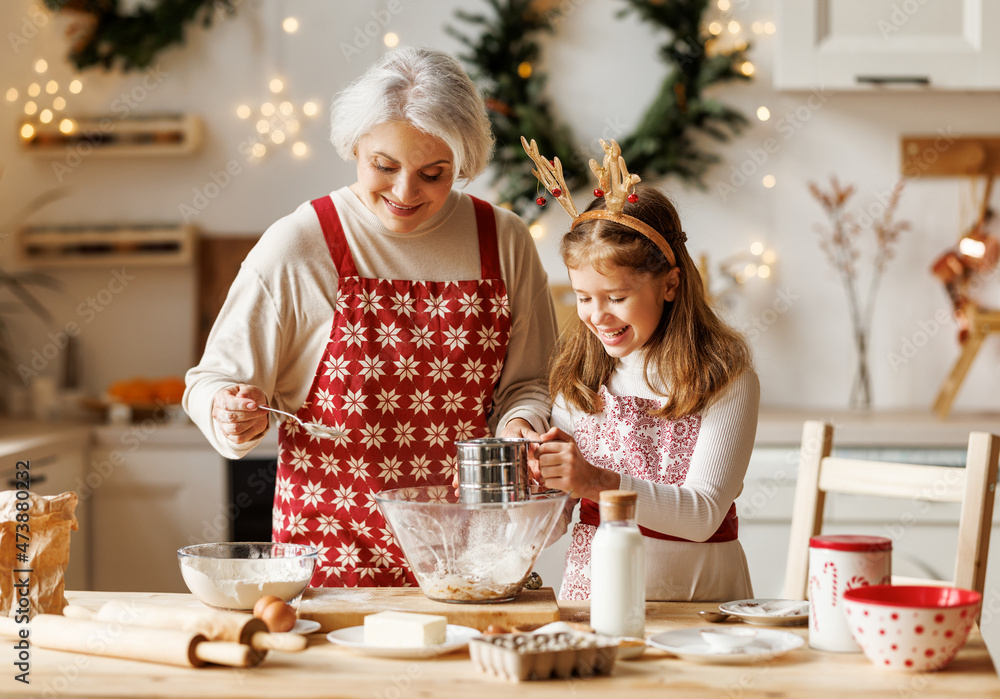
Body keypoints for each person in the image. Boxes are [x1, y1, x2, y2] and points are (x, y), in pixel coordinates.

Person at [184, 46, 558, 588]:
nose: (406, 193)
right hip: (331, 559)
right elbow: (210, 381)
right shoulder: (301, 243)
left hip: (475, 560)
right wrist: (227, 411)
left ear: (464, 163)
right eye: (385, 166)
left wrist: (522, 426)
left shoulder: (503, 240)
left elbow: (531, 383)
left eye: (435, 173)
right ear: (355, 145)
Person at [524, 139, 758, 601]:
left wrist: (593, 480)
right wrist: (532, 483)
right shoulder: (579, 380)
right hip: (594, 600)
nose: (597, 316)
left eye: (616, 297)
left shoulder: (724, 376)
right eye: (583, 297)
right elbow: (548, 532)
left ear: (669, 284)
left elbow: (703, 514)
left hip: (702, 604)